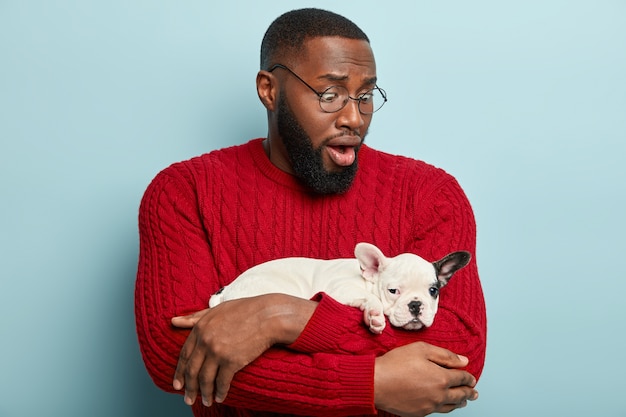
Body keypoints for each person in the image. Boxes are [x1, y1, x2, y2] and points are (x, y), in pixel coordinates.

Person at [135, 7, 487, 417]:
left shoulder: (430, 194)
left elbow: (461, 353)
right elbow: (174, 357)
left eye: (366, 96)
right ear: (269, 90)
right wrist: (370, 383)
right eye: (329, 95)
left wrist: (281, 317)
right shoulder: (184, 191)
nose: (354, 117)